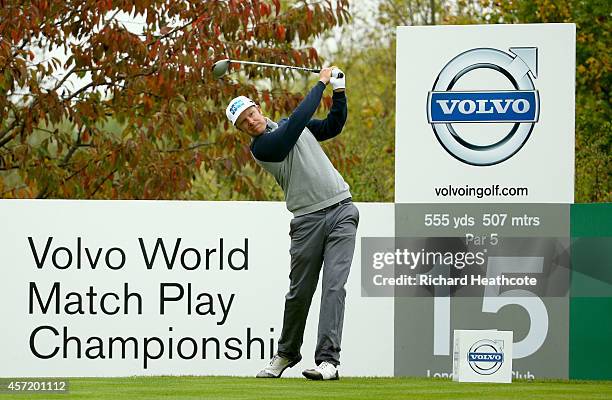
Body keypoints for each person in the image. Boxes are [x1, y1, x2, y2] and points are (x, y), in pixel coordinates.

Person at [225, 66, 359, 380]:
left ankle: (328, 362)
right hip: (307, 221)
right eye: (243, 123)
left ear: (258, 108)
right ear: (242, 130)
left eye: (250, 114)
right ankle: (286, 354)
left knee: (334, 287)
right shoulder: (263, 148)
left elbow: (332, 125)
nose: (250, 122)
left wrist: (339, 91)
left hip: (342, 211)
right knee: (299, 293)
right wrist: (321, 82)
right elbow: (297, 122)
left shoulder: (289, 125)